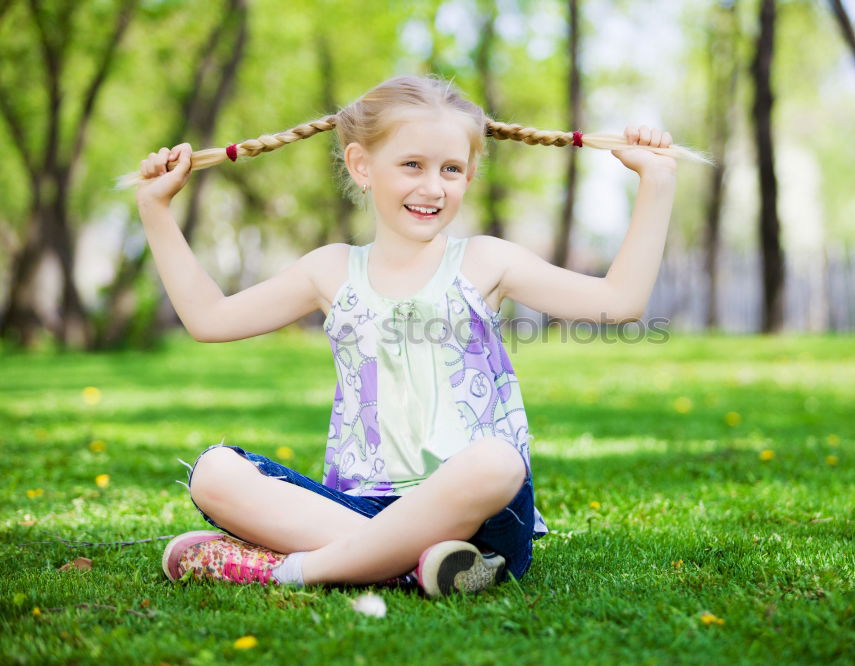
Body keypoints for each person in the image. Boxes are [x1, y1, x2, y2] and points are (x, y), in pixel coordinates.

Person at [133, 74, 681, 596]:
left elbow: (619, 303)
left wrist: (656, 183)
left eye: (450, 169)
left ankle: (291, 570)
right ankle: (411, 565)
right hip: (363, 507)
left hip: (482, 520)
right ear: (361, 165)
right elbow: (210, 320)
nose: (431, 186)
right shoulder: (329, 271)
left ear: (469, 175)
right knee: (214, 472)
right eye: (412, 164)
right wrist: (155, 210)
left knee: (497, 460)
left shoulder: (485, 261)